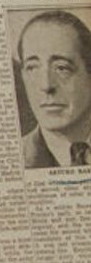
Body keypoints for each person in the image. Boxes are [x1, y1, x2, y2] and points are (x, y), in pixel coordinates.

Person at [18, 10, 91, 169]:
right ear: (23, 76)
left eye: (62, 68)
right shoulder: (16, 157)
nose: (46, 85)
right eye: (33, 68)